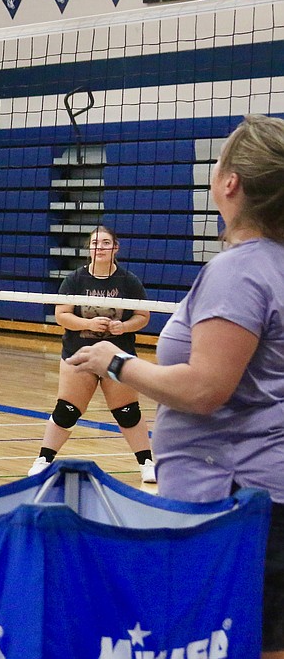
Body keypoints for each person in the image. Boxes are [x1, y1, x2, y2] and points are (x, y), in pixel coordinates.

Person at [67, 114, 284, 657]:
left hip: (236, 499)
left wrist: (115, 362)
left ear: (230, 182)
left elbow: (204, 389)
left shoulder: (241, 272)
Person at [27, 225, 156, 482]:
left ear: (115, 247)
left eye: (106, 243)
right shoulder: (75, 279)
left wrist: (124, 326)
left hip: (118, 355)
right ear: (90, 248)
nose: (100, 248)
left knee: (127, 411)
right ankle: (43, 460)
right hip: (79, 353)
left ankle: (147, 463)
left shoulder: (128, 281)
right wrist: (87, 324)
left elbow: (143, 316)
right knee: (67, 410)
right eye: (96, 243)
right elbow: (62, 315)